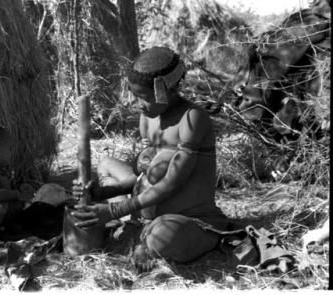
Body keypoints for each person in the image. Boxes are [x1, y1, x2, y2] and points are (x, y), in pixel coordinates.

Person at [72, 46, 229, 266]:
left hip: (189, 218)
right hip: (143, 216)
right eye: (134, 96)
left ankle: (149, 235)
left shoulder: (192, 119)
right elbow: (143, 177)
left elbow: (171, 184)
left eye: (143, 98)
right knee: (106, 164)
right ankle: (134, 227)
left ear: (164, 90)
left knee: (162, 237)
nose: (138, 105)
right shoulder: (148, 118)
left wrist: (114, 209)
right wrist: (102, 191)